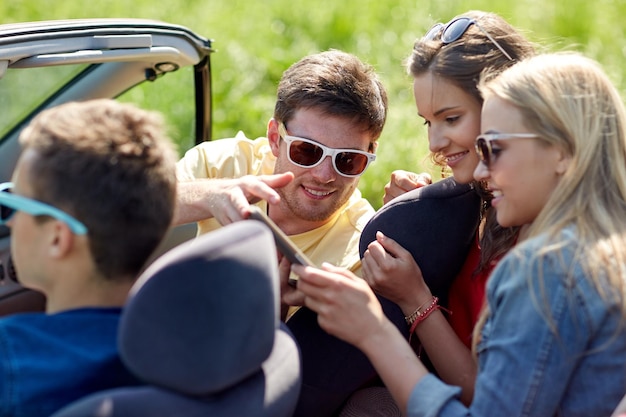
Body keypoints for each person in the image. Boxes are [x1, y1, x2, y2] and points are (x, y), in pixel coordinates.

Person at [296, 51, 626, 416]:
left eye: (495, 148)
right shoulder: (605, 253)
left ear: (562, 151)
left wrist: (373, 331)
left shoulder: (543, 268)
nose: (482, 170)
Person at [175, 49, 407, 417]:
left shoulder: (359, 247)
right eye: (306, 151)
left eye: (348, 159)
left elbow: (298, 381)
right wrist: (209, 195)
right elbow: (125, 212)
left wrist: (278, 309)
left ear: (371, 153)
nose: (324, 175)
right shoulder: (223, 164)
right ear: (274, 137)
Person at [354, 10, 535, 405]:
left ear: (503, 106)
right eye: (427, 123)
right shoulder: (481, 201)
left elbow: (489, 399)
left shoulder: (539, 237)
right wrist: (420, 221)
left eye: (451, 118)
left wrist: (414, 299)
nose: (435, 142)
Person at [0, 99, 178, 417]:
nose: (10, 221)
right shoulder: (188, 350)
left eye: (14, 203)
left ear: (57, 237)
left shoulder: (11, 358)